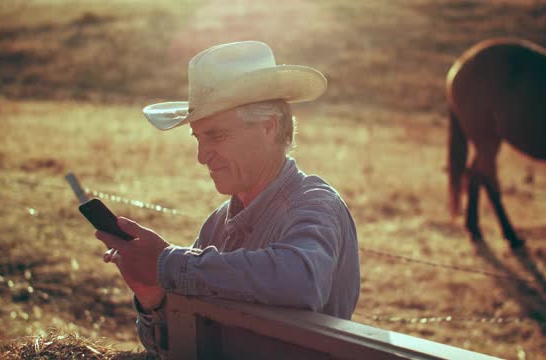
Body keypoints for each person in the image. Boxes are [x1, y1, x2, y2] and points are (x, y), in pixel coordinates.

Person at [95, 41, 360, 357]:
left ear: (268, 126)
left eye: (215, 136)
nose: (201, 156)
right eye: (198, 138)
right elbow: (177, 346)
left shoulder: (315, 204)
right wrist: (152, 295)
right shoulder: (217, 224)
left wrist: (166, 263)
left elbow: (300, 282)